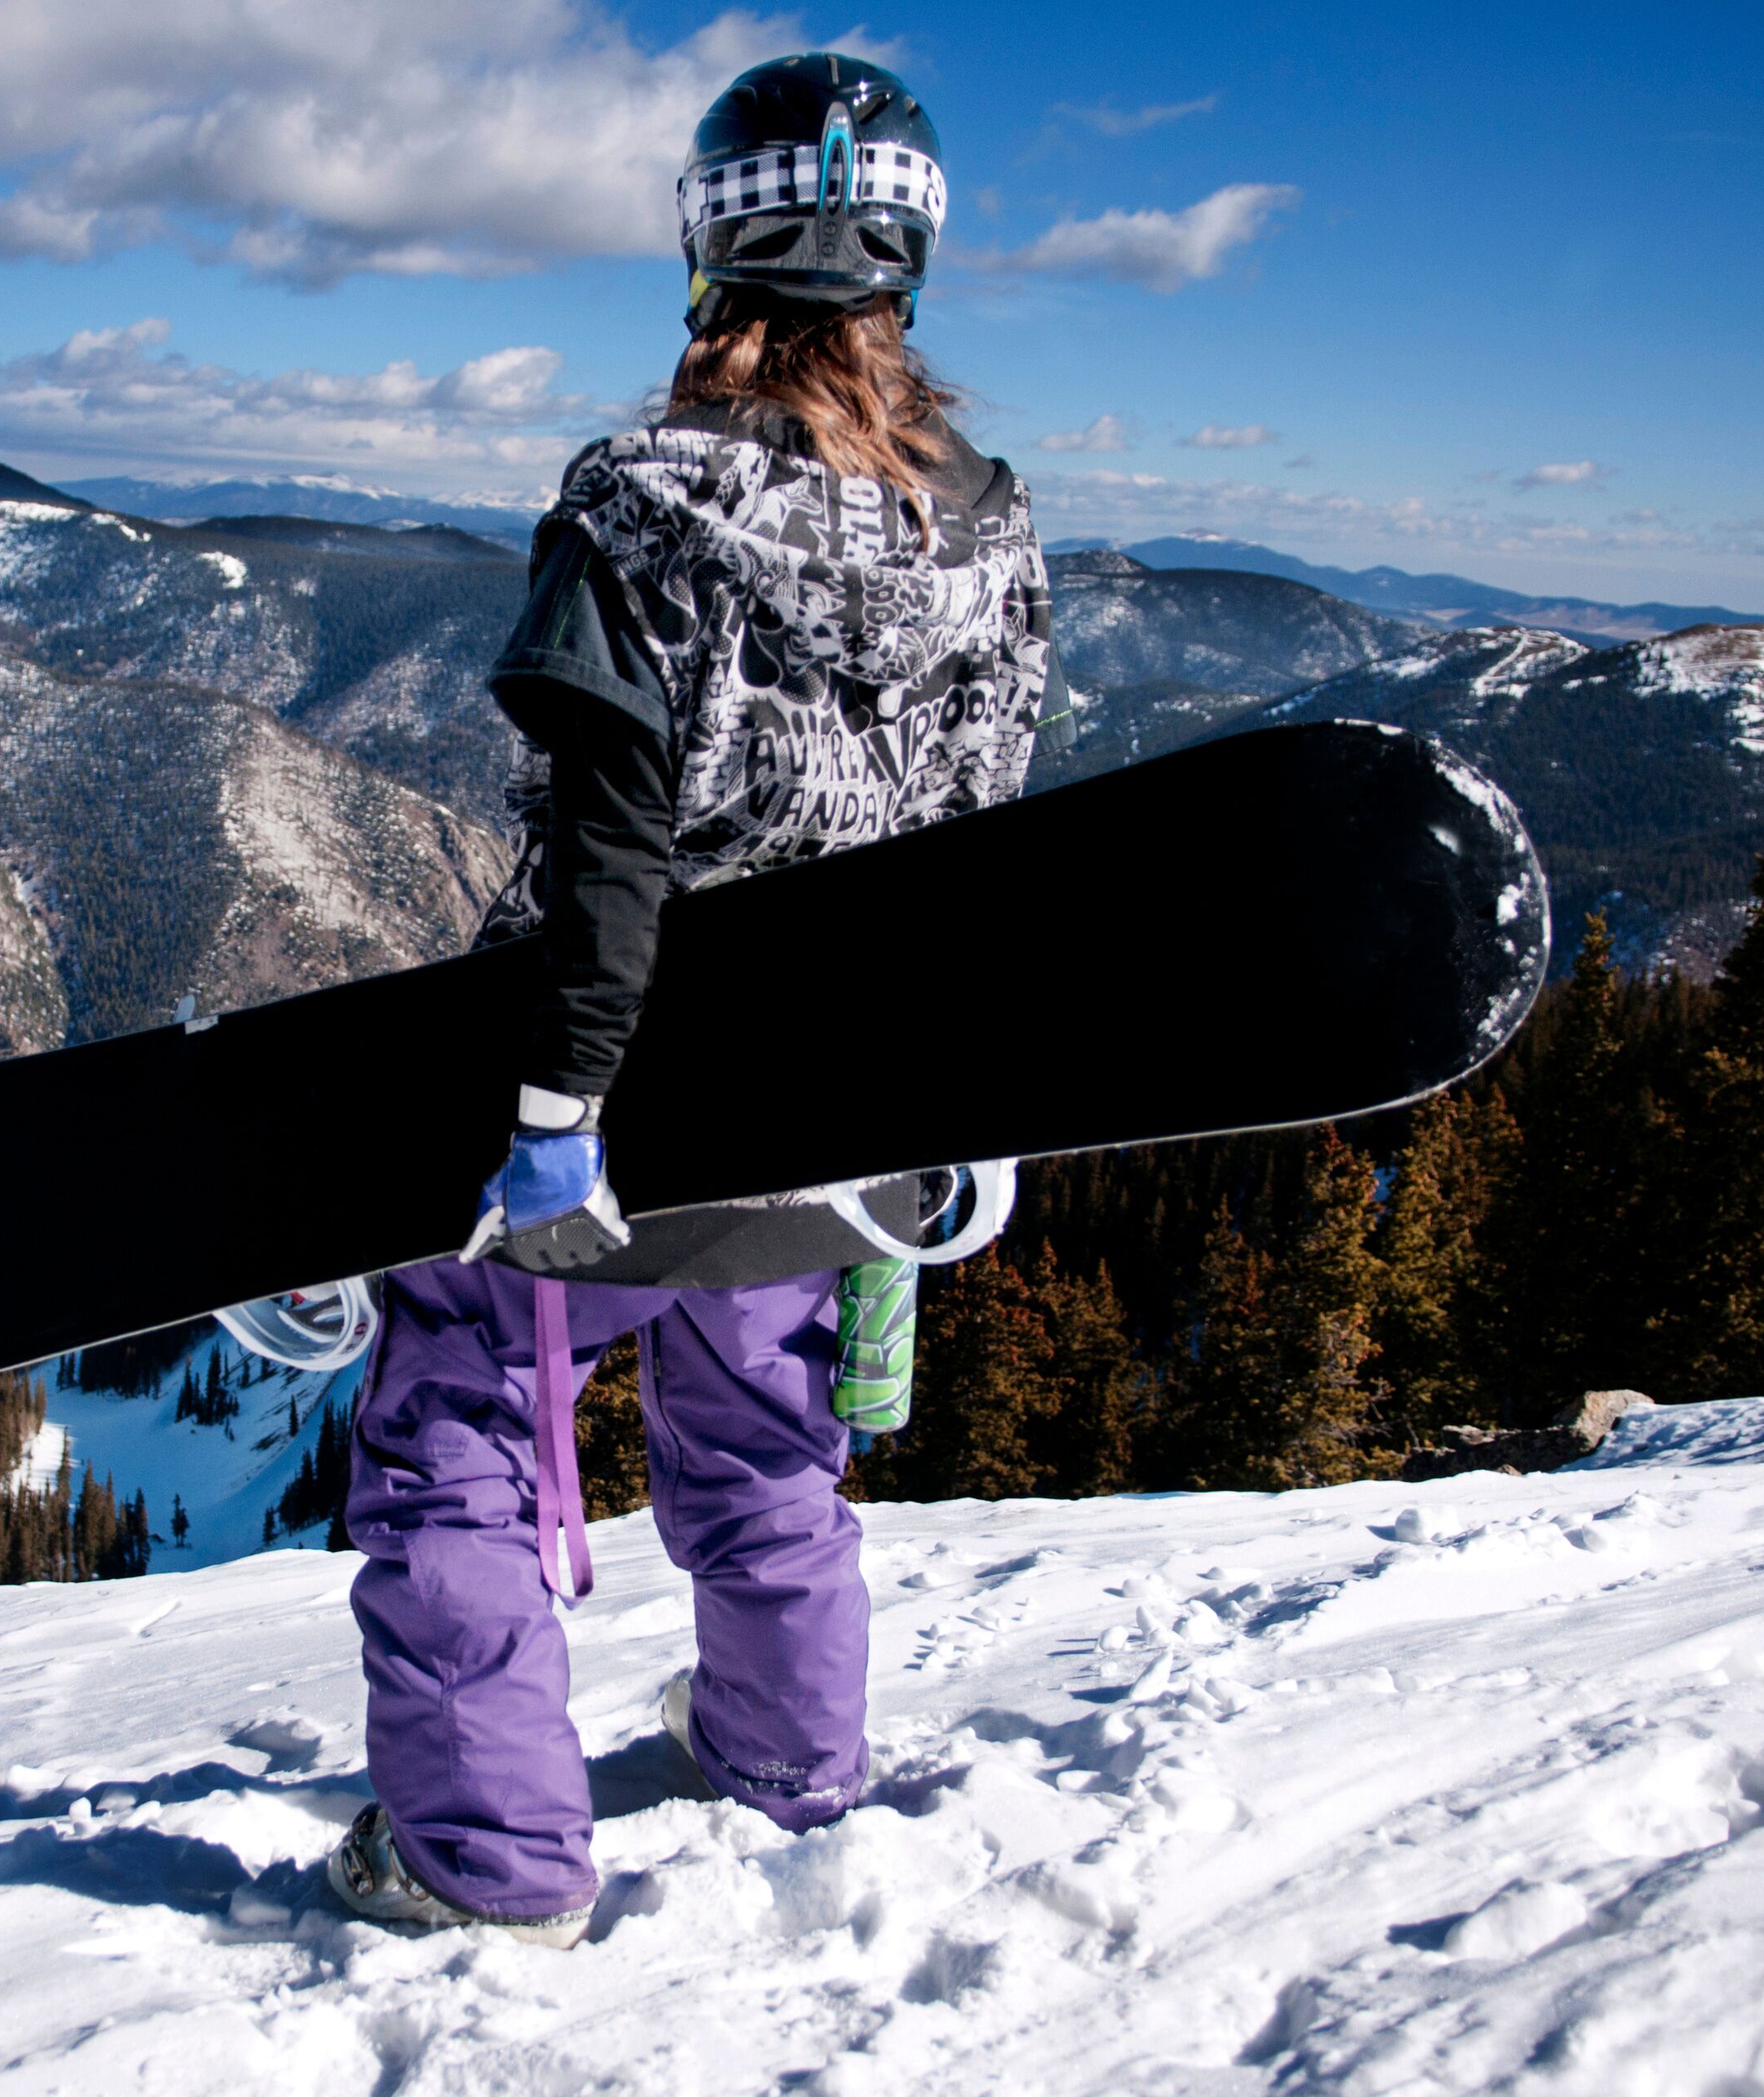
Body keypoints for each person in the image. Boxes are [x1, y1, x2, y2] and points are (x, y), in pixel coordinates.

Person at [325, 50, 1074, 1948]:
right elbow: (975, 849)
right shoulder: (983, 527)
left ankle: (486, 1863)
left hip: (628, 1105)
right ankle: (786, 1760)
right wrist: (954, 1109)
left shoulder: (640, 506)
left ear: (706, 247)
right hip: (834, 1120)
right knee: (766, 1438)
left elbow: (613, 846)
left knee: (457, 1432)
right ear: (911, 255)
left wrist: (558, 1114)